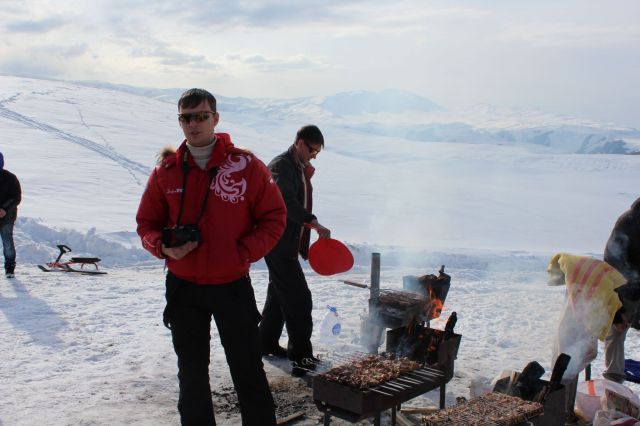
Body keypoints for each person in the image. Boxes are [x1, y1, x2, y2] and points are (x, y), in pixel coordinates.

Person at [136, 88, 286, 425]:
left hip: (231, 283)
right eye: (185, 118)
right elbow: (145, 222)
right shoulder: (166, 170)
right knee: (191, 373)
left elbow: (275, 217)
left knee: (247, 367)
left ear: (215, 118)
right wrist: (162, 246)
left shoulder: (246, 165)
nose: (193, 124)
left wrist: (243, 253)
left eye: (201, 116)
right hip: (184, 287)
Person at [258, 125, 331, 377]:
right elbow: (285, 203)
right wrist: (312, 220)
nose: (313, 156)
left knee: (279, 295)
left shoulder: (296, 167)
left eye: (317, 153)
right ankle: (301, 358)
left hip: (285, 243)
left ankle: (264, 342)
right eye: (311, 150)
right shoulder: (281, 166)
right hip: (277, 243)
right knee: (299, 300)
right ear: (299, 142)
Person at [603, 197, 640, 384]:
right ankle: (613, 380)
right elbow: (612, 259)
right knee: (617, 330)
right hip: (623, 290)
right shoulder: (629, 222)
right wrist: (618, 308)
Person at [0, 152, 21, 278]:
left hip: (7, 218)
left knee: (8, 243)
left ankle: (9, 269)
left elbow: (16, 197)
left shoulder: (11, 178)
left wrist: (4, 209)